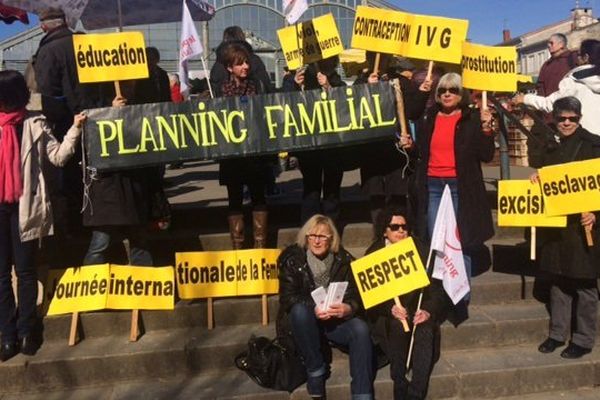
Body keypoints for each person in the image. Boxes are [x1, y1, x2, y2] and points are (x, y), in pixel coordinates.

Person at [0, 70, 85, 361]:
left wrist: (74, 129)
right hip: (4, 208)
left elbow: (59, 156)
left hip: (25, 207)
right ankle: (9, 336)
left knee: (22, 272)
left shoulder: (35, 124)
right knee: (7, 274)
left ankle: (24, 333)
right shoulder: (28, 122)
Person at [531, 97, 600, 359]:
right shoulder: (551, 146)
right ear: (555, 119)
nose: (567, 123)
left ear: (579, 118)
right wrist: (538, 178)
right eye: (562, 119)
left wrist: (595, 213)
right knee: (558, 281)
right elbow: (547, 179)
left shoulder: (594, 145)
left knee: (584, 283)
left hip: (584, 227)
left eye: (572, 118)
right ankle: (557, 334)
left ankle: (583, 339)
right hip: (557, 227)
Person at [277, 214, 374, 400]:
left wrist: (348, 308)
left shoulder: (344, 260)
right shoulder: (292, 259)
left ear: (332, 239)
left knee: (360, 329)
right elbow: (288, 298)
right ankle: (316, 370)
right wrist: (315, 307)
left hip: (334, 321)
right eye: (312, 236)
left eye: (323, 237)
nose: (316, 241)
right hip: (304, 322)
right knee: (299, 311)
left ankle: (363, 393)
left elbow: (356, 295)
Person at [413, 72, 495, 282]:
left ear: (461, 94)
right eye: (442, 90)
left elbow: (486, 155)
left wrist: (487, 130)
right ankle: (439, 291)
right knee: (435, 237)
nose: (447, 94)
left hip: (461, 185)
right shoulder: (429, 116)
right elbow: (420, 148)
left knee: (461, 238)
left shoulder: (473, 117)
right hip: (433, 184)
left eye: (453, 90)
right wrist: (409, 144)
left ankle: (461, 293)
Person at [365, 207, 450, 400]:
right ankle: (400, 384)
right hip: (390, 317)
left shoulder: (421, 250)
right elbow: (367, 297)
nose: (401, 231)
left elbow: (437, 290)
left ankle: (416, 393)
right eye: (395, 227)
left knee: (425, 328)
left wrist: (428, 310)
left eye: (404, 226)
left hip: (418, 310)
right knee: (396, 326)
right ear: (384, 230)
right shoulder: (373, 254)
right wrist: (390, 308)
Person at [33, 7, 101, 234]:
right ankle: (97, 214)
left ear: (44, 26)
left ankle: (73, 222)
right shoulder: (85, 43)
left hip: (65, 120)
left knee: (67, 171)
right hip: (97, 115)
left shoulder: (48, 50)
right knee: (95, 167)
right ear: (64, 23)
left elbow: (47, 90)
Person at [82, 80, 161, 266]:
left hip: (134, 184)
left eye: (131, 84)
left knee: (139, 239)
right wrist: (111, 111)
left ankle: (145, 286)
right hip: (107, 187)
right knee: (101, 241)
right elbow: (88, 132)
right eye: (124, 84)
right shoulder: (94, 106)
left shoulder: (141, 108)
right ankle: (92, 288)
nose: (129, 88)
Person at [354, 52, 431, 232]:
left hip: (396, 148)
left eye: (383, 58)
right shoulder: (361, 82)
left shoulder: (401, 81)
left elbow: (413, 111)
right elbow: (350, 110)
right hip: (371, 148)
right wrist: (366, 89)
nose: (378, 61)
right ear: (369, 60)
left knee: (397, 195)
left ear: (389, 60)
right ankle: (380, 236)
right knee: (375, 196)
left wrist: (423, 93)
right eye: (373, 58)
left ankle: (398, 235)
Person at [283, 56, 347, 225]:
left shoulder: (336, 81)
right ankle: (310, 231)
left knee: (332, 191)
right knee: (311, 189)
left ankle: (331, 230)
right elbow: (285, 102)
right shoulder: (301, 78)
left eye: (329, 62)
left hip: (333, 145)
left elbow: (346, 105)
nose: (325, 65)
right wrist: (296, 84)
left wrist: (328, 87)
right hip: (310, 146)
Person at [218, 43, 269, 249]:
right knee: (235, 199)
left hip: (255, 153)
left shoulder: (258, 86)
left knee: (259, 197)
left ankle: (260, 247)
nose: (245, 67)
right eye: (239, 64)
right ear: (230, 68)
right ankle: (238, 249)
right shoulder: (220, 91)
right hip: (232, 155)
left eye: (246, 62)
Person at [513, 39, 600, 135]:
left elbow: (551, 104)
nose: (576, 59)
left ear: (586, 57)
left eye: (579, 55)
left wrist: (525, 98)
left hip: (585, 140)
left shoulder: (575, 81)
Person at [211, 26, 273, 96]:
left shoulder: (217, 65)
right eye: (239, 63)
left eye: (246, 62)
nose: (246, 66)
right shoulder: (255, 60)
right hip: (256, 103)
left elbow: (215, 89)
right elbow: (266, 86)